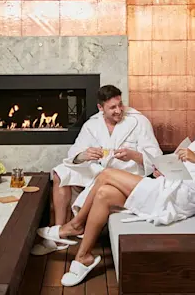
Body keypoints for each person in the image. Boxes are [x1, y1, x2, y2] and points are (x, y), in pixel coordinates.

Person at [54, 97, 195, 287]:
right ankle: (84, 256)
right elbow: (191, 169)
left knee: (106, 174)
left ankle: (76, 225)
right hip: (168, 186)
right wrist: (166, 170)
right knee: (104, 193)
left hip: (179, 198)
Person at [31, 84, 162, 255]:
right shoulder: (92, 124)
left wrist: (133, 155)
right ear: (100, 108)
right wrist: (84, 155)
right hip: (98, 170)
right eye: (112, 107)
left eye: (120, 105)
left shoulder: (139, 122)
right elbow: (73, 154)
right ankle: (58, 233)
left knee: (103, 179)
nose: (118, 111)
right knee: (60, 173)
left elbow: (156, 158)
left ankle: (72, 228)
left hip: (126, 174)